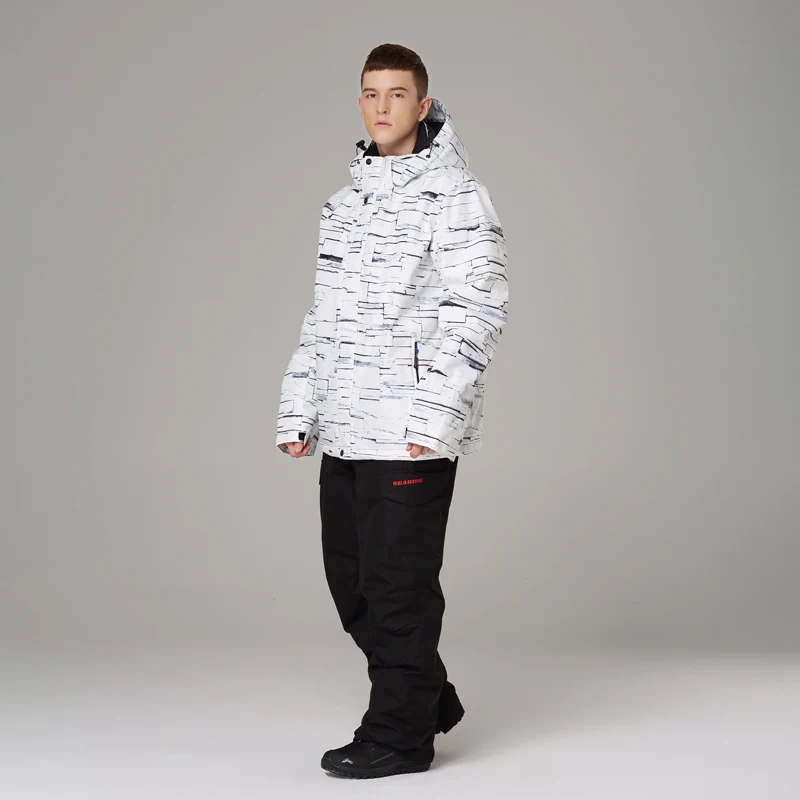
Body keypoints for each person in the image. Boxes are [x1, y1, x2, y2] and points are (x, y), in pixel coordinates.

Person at [275, 43, 509, 779]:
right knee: (351, 583)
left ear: (423, 104)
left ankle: (400, 736)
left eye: (397, 94)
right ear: (360, 104)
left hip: (410, 429)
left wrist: (433, 418)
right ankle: (424, 696)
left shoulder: (457, 195)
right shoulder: (343, 206)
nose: (382, 107)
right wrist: (300, 409)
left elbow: (479, 309)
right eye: (371, 94)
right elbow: (323, 316)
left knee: (397, 586)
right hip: (346, 426)